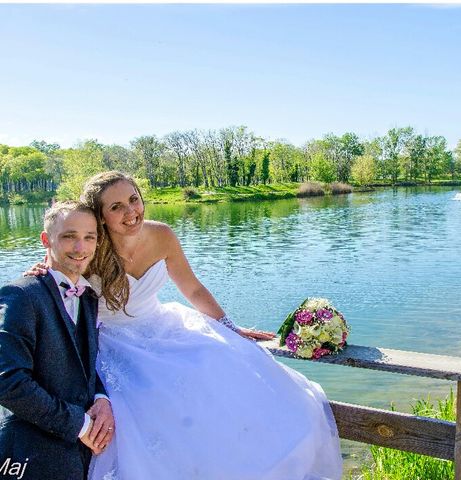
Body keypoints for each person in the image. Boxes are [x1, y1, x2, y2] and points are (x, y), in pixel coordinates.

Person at [39, 171, 342, 479]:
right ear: (100, 217)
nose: (131, 212)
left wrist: (228, 326)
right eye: (116, 207)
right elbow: (59, 268)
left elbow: (193, 289)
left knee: (221, 364)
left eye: (133, 199)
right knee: (152, 402)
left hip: (163, 325)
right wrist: (44, 268)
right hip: (115, 342)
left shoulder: (162, 235)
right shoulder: (90, 249)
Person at [0, 201, 115, 480]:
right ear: (46, 240)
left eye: (89, 238)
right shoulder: (21, 295)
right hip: (27, 456)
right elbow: (8, 381)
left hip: (79, 458)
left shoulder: (88, 296)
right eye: (69, 237)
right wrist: (80, 425)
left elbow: (85, 363)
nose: (80, 248)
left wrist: (101, 397)